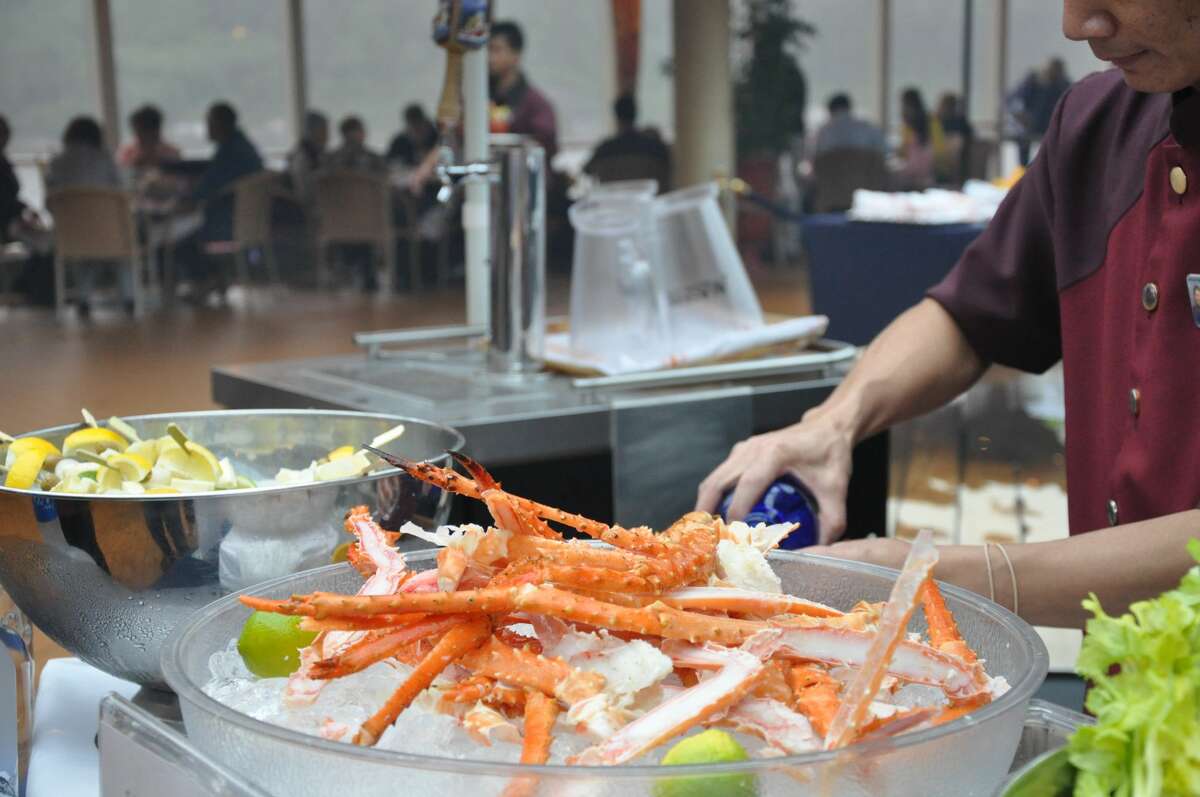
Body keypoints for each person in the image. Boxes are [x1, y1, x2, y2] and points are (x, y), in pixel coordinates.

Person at [697, 0, 1200, 630]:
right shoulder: (1098, 124)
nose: (1079, 25)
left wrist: (965, 576)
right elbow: (970, 315)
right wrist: (832, 423)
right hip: (1124, 698)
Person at [177, 102, 263, 300]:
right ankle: (214, 278)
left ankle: (205, 280)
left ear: (220, 124)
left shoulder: (229, 153)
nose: (206, 128)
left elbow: (205, 189)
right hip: (247, 219)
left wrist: (183, 200)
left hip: (227, 220)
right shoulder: (242, 146)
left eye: (209, 123)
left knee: (179, 239)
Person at [44, 116, 129, 316]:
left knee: (83, 259)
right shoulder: (106, 160)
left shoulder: (57, 163)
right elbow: (123, 194)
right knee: (124, 254)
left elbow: (50, 202)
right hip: (110, 231)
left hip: (71, 233)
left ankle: (83, 298)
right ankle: (129, 297)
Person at [488, 20, 559, 160]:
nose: (489, 58)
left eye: (496, 50)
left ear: (516, 55)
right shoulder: (481, 98)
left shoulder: (535, 103)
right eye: (487, 50)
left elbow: (547, 141)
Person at [583, 94, 671, 184]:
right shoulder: (655, 147)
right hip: (650, 197)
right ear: (635, 113)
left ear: (616, 116)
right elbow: (671, 166)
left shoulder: (604, 149)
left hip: (613, 197)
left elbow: (586, 170)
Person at [1007, 57, 1072, 166]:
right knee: (1025, 154)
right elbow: (1014, 101)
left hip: (1048, 126)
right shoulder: (1032, 81)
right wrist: (1021, 116)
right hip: (1028, 127)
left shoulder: (1062, 85)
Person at [45, 116, 122, 191]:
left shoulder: (56, 162)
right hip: (102, 203)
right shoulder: (106, 159)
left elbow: (50, 191)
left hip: (67, 203)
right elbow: (118, 187)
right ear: (97, 136)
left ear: (68, 135)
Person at [811, 94, 886, 157]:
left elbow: (813, 157)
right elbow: (883, 151)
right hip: (863, 172)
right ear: (849, 108)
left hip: (830, 173)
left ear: (830, 111)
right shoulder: (868, 128)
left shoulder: (822, 132)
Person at [116, 104, 181, 176]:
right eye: (138, 132)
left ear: (157, 130)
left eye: (146, 131)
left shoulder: (172, 154)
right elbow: (121, 178)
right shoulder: (127, 153)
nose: (144, 137)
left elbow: (180, 180)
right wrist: (136, 163)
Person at [894, 88, 939, 190]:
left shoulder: (907, 126)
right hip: (930, 172)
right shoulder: (932, 121)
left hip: (915, 173)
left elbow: (903, 152)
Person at [286, 110, 329, 201]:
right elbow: (303, 190)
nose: (327, 136)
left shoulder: (319, 154)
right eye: (323, 130)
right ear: (312, 132)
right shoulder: (301, 156)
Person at [934, 92, 975, 183]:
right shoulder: (936, 122)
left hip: (958, 159)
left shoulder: (959, 122)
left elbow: (966, 139)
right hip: (939, 156)